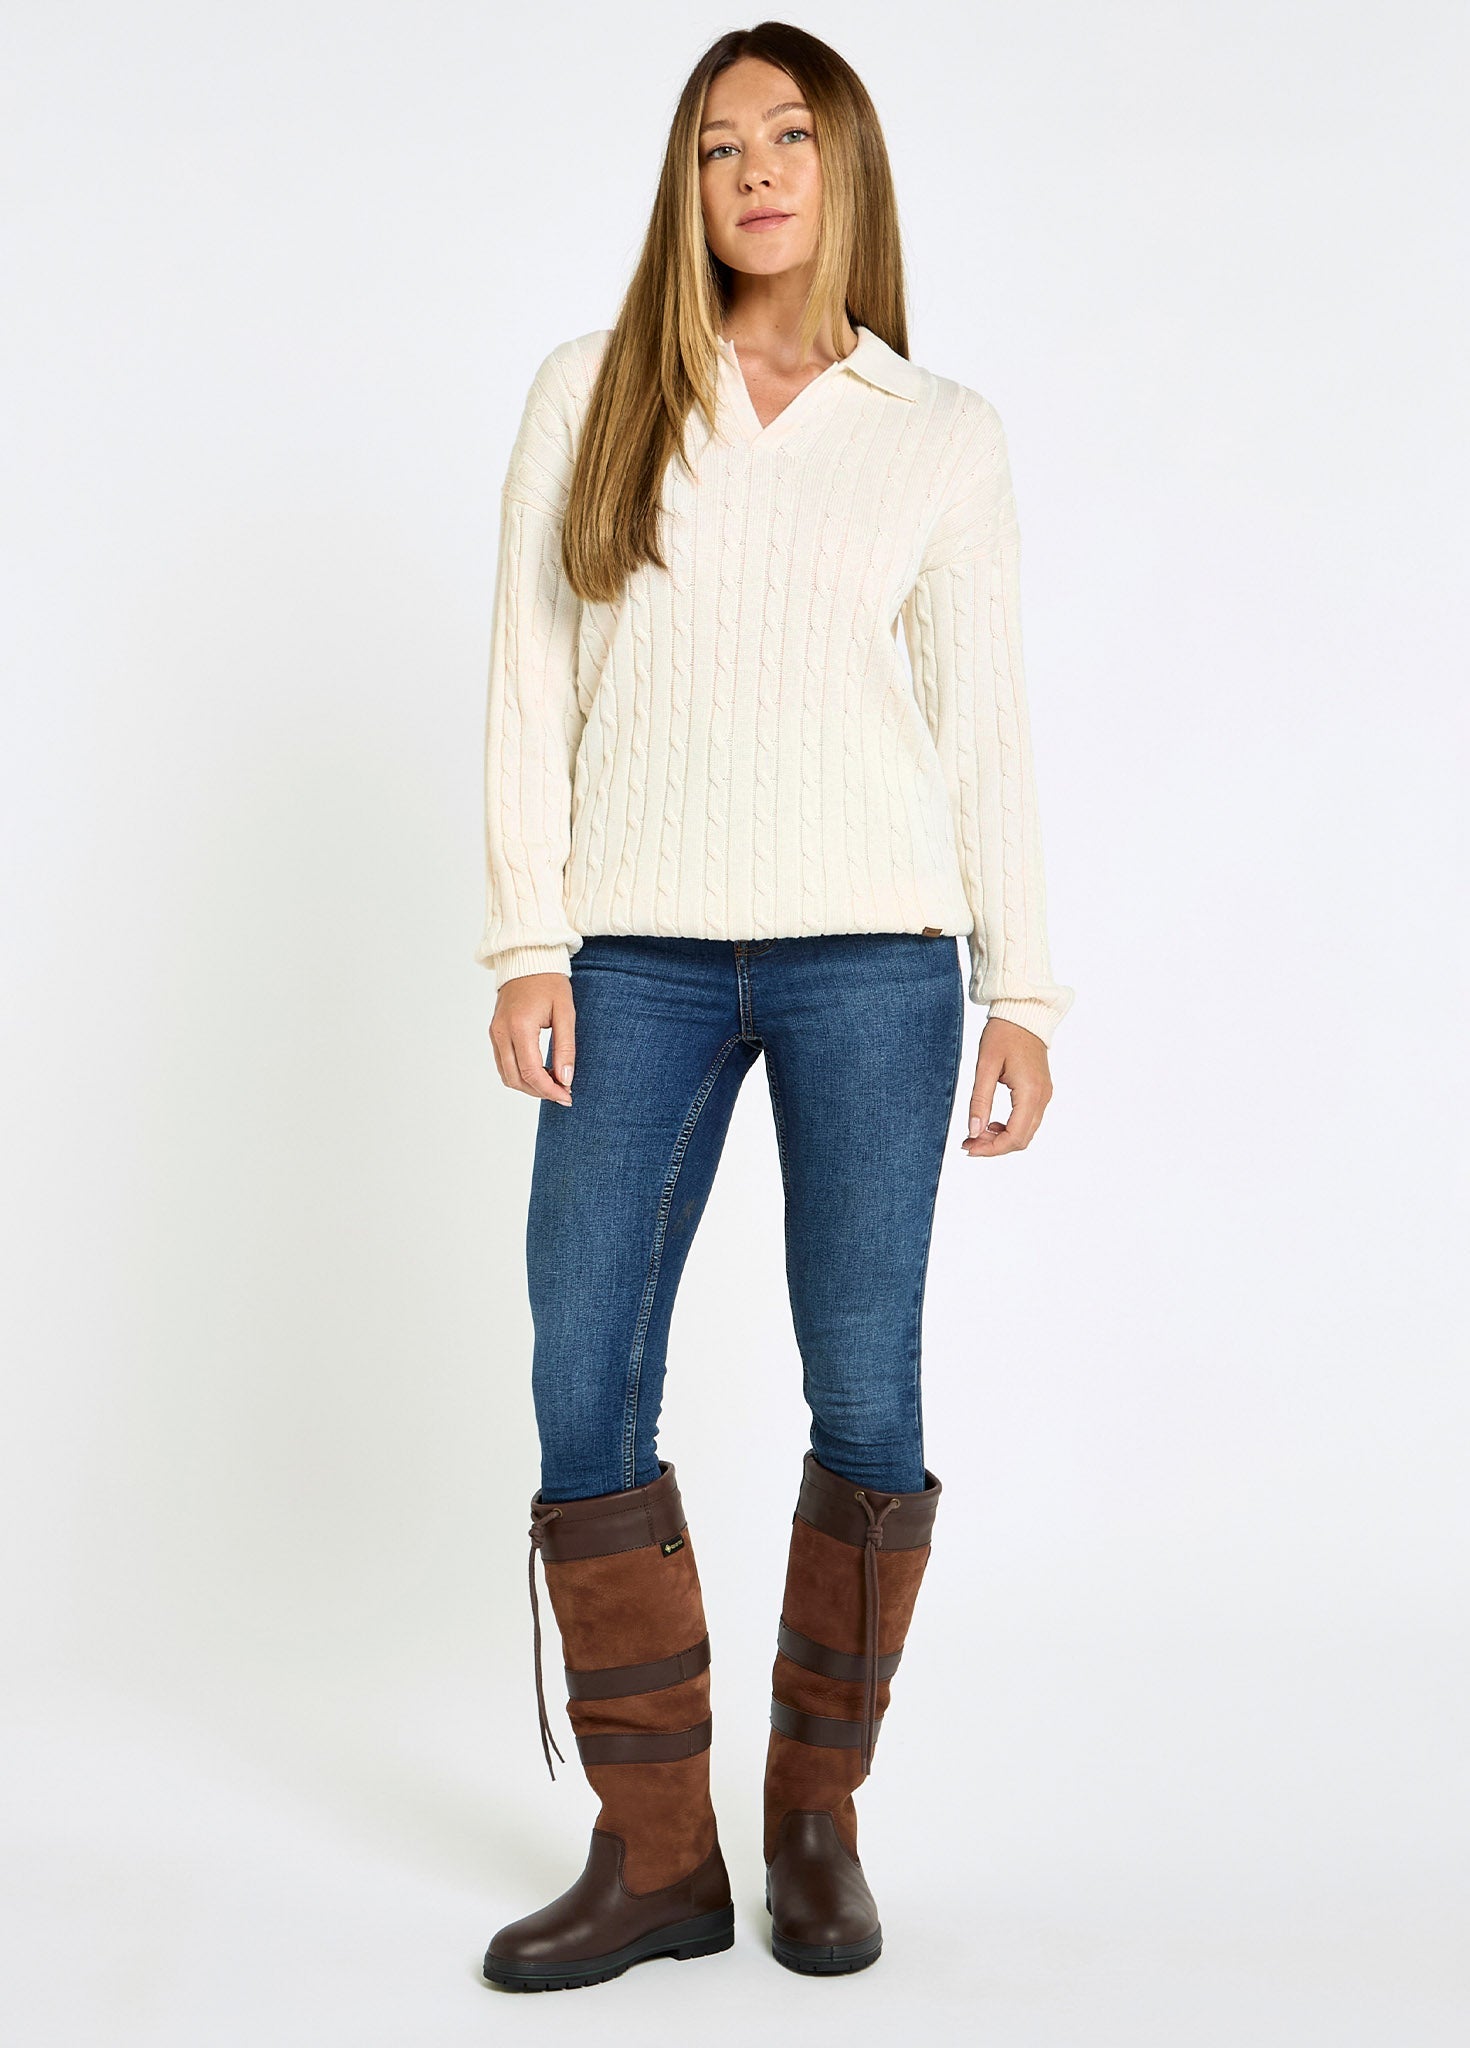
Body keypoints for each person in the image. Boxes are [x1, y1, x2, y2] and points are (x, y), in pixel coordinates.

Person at [476, 21, 1073, 1994]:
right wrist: (528, 942)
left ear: (843, 168)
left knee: (867, 1385)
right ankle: (655, 1854)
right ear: (686, 181)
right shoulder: (595, 391)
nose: (752, 169)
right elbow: (531, 679)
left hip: (873, 962)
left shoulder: (936, 428)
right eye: (717, 142)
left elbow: (985, 724)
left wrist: (1021, 982)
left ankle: (814, 1821)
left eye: (787, 136)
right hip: (633, 959)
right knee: (585, 1372)